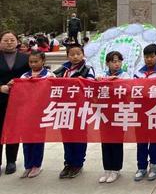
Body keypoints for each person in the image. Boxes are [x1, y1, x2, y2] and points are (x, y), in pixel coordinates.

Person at [53, 43, 95, 178]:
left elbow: (91, 84)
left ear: (83, 55)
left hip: (80, 107)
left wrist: (82, 81)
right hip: (64, 107)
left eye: (78, 54)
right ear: (67, 56)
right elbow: (51, 83)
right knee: (66, 136)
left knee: (79, 135)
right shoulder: (61, 70)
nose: (75, 57)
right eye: (72, 54)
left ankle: (78, 163)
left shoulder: (88, 69)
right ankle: (68, 163)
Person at [17, 50, 55, 178]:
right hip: (26, 113)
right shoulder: (24, 76)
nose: (33, 64)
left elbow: (53, 92)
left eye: (36, 61)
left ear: (43, 61)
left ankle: (37, 165)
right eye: (31, 62)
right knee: (26, 140)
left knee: (38, 139)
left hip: (41, 112)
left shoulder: (49, 75)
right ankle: (28, 165)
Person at [0, 31, 30, 175]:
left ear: (17, 42)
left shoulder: (26, 58)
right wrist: (1, 87)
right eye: (6, 40)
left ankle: (11, 161)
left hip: (19, 100)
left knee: (13, 129)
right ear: (1, 42)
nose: (9, 42)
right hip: (1, 96)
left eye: (12, 40)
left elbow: (32, 76)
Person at [97, 51, 129, 184]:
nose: (116, 64)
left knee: (116, 141)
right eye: (113, 61)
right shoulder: (102, 76)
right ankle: (107, 168)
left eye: (119, 61)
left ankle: (116, 169)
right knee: (105, 141)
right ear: (107, 63)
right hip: (104, 113)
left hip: (119, 112)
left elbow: (129, 89)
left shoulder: (125, 75)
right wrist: (99, 82)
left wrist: (117, 82)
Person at [133, 44, 156, 182]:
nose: (149, 59)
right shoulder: (138, 72)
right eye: (146, 57)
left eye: (152, 56)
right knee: (141, 141)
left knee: (155, 140)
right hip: (141, 111)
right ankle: (141, 167)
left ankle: (155, 166)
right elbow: (132, 89)